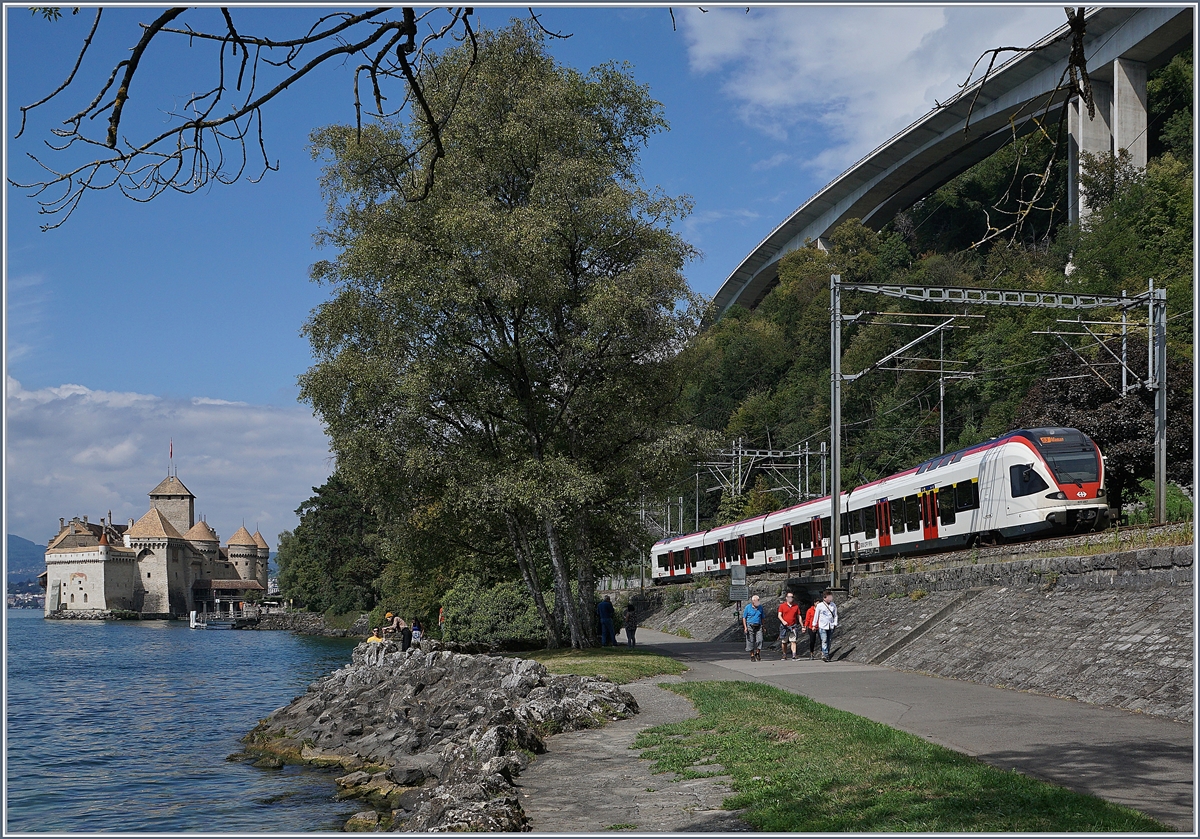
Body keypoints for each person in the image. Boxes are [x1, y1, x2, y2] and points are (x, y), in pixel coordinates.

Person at [815, 589, 839, 662]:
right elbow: (816, 615)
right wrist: (814, 624)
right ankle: (825, 654)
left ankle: (826, 653)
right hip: (822, 626)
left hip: (831, 625)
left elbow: (835, 615)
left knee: (829, 640)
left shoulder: (833, 605)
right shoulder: (820, 605)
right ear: (824, 598)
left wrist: (835, 623)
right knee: (824, 640)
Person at [777, 590, 802, 660]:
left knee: (793, 641)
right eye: (789, 597)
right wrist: (783, 621)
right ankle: (784, 654)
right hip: (784, 626)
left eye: (792, 597)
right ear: (786, 598)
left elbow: (798, 616)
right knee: (784, 641)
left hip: (793, 626)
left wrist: (802, 625)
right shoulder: (782, 606)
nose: (790, 598)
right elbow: (779, 615)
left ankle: (794, 655)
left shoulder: (796, 606)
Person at [742, 594, 764, 661]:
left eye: (758, 601)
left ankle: (757, 652)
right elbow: (744, 618)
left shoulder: (760, 607)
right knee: (750, 641)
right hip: (750, 626)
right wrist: (745, 627)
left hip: (759, 625)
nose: (757, 603)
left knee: (760, 640)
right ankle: (752, 655)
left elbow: (762, 617)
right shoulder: (748, 607)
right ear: (753, 602)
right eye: (756, 601)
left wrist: (763, 626)